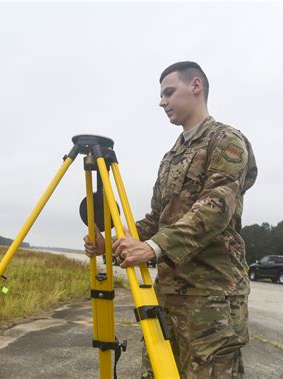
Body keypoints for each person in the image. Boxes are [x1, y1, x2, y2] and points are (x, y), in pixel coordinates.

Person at [84, 61, 257, 378]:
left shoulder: (226, 140)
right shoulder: (171, 156)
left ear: (195, 87)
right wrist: (110, 245)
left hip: (212, 297)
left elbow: (217, 206)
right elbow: (155, 220)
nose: (162, 101)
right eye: (161, 95)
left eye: (169, 92)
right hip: (168, 294)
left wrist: (152, 247)